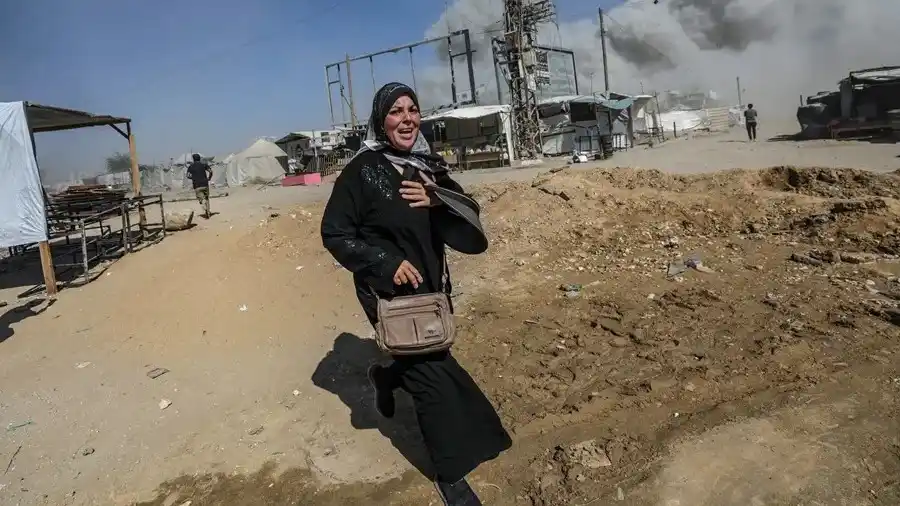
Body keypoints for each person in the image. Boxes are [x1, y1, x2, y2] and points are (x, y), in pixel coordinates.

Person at [321, 82, 511, 506]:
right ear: (380, 119)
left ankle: (386, 377)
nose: (406, 119)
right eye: (395, 111)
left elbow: (468, 214)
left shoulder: (428, 166)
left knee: (424, 355)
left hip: (431, 290)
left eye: (413, 110)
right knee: (432, 379)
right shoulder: (362, 172)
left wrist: (435, 198)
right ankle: (451, 477)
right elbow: (335, 232)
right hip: (387, 294)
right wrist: (385, 265)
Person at [185, 153, 213, 218]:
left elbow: (188, 175)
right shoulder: (204, 164)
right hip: (205, 184)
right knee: (207, 198)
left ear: (193, 159)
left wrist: (193, 178)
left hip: (197, 185)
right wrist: (209, 178)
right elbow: (211, 171)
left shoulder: (191, 166)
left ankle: (204, 206)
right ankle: (208, 212)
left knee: (201, 199)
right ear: (199, 158)